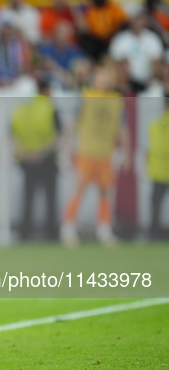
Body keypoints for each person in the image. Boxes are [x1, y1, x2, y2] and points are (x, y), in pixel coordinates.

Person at [61, 66, 130, 246]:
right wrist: (68, 146)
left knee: (106, 192)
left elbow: (123, 128)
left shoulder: (116, 101)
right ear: (94, 77)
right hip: (86, 151)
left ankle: (104, 231)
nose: (104, 80)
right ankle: (68, 230)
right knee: (78, 190)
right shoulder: (85, 96)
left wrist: (127, 152)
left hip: (106, 153)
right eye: (101, 75)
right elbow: (74, 123)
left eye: (108, 76)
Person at [11, 80, 60, 240]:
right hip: (47, 159)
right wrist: (41, 152)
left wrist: (27, 153)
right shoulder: (48, 106)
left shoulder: (17, 110)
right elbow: (57, 133)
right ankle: (52, 235)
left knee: (28, 198)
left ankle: (24, 234)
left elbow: (13, 135)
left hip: (28, 160)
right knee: (49, 198)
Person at [147, 97, 169, 240]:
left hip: (158, 171)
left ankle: (154, 234)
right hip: (159, 171)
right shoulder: (155, 125)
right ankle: (154, 233)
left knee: (156, 205)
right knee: (156, 205)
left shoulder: (154, 125)